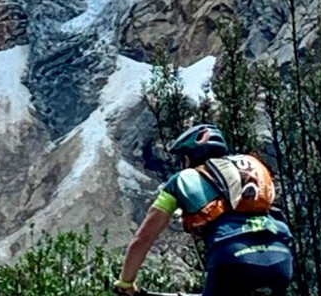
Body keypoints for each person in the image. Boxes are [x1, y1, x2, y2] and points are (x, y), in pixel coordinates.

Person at [114, 124, 293, 296]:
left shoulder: (181, 180)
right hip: (280, 256)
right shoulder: (250, 170)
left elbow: (143, 238)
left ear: (187, 158)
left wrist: (126, 283)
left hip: (232, 257)